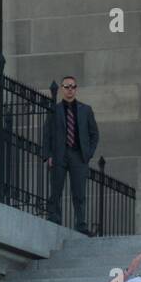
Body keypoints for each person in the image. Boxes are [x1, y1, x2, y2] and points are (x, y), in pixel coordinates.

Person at [42, 75, 99, 235]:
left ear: (76, 89)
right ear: (61, 89)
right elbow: (47, 134)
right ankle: (55, 219)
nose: (70, 90)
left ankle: (80, 224)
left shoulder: (85, 110)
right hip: (60, 154)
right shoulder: (55, 110)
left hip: (78, 155)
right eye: (67, 87)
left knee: (79, 192)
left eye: (73, 87)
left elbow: (94, 134)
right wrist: (48, 155)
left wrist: (88, 153)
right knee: (56, 189)